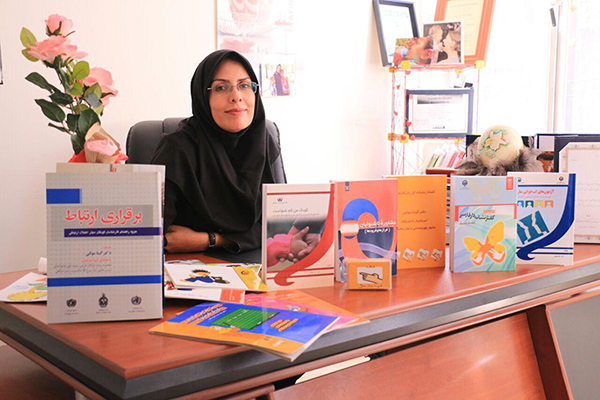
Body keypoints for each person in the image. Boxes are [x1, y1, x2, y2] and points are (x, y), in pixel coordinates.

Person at [151, 50, 284, 253]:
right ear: (203, 97)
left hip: (255, 265)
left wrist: (212, 240)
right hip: (187, 265)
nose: (236, 97)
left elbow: (278, 225)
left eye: (244, 85)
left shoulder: (264, 140)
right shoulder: (177, 149)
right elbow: (149, 236)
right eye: (221, 87)